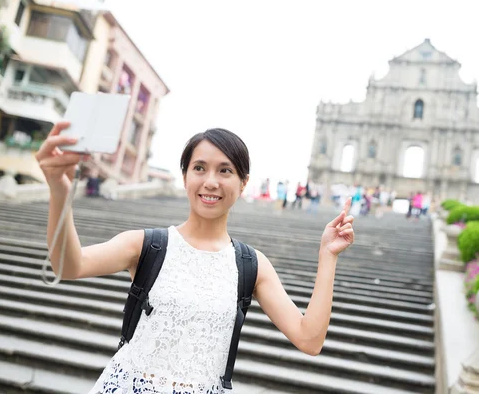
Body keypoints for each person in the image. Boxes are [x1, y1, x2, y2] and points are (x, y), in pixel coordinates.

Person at [35, 122, 356, 394]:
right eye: (199, 168)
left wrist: (327, 258)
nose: (211, 181)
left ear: (243, 183)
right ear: (186, 175)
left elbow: (309, 340)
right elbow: (69, 265)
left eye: (225, 170)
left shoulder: (252, 265)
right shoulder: (148, 244)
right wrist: (60, 191)